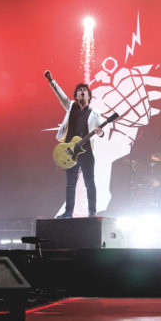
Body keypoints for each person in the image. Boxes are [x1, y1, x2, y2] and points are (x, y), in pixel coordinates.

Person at [45, 70, 103, 218]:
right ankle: (68, 212)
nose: (82, 92)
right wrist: (51, 80)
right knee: (71, 183)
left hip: (86, 151)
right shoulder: (71, 106)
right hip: (70, 150)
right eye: (79, 91)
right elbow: (60, 95)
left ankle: (92, 212)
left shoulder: (95, 113)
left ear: (89, 96)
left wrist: (100, 132)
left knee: (89, 182)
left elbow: (101, 131)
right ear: (76, 96)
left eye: (85, 91)